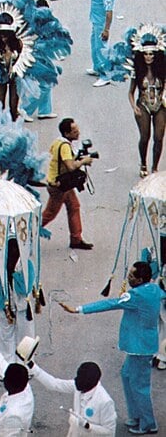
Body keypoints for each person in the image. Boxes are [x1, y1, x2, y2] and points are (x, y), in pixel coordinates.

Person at [60, 260, 164, 437]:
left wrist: (79, 309)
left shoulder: (135, 296)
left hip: (139, 347)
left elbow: (109, 304)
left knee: (139, 386)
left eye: (131, 276)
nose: (128, 278)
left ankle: (148, 423)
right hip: (143, 344)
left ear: (140, 280)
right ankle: (136, 416)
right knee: (127, 376)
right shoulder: (154, 289)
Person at [41, 118, 94, 251]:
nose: (78, 132)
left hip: (62, 184)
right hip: (59, 186)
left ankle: (76, 239)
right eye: (74, 131)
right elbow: (70, 167)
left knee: (74, 206)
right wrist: (84, 162)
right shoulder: (65, 146)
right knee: (49, 214)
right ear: (67, 133)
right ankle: (26, 231)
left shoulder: (58, 142)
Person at [31, 359, 117, 436]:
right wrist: (33, 367)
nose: (76, 381)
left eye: (81, 379)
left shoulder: (105, 402)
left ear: (90, 383)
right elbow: (54, 384)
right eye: (78, 376)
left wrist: (87, 425)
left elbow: (109, 431)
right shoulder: (79, 385)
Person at [128, 34, 166, 178]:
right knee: (145, 137)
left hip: (160, 105)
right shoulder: (137, 71)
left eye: (151, 54)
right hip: (143, 105)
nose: (148, 57)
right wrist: (134, 107)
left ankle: (154, 167)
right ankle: (143, 163)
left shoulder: (162, 70)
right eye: (146, 54)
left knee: (159, 137)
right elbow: (130, 93)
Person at [88, 0, 114, 86]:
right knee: (94, 44)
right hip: (95, 20)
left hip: (101, 23)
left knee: (102, 48)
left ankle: (106, 75)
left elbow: (109, 12)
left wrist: (106, 30)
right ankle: (97, 67)